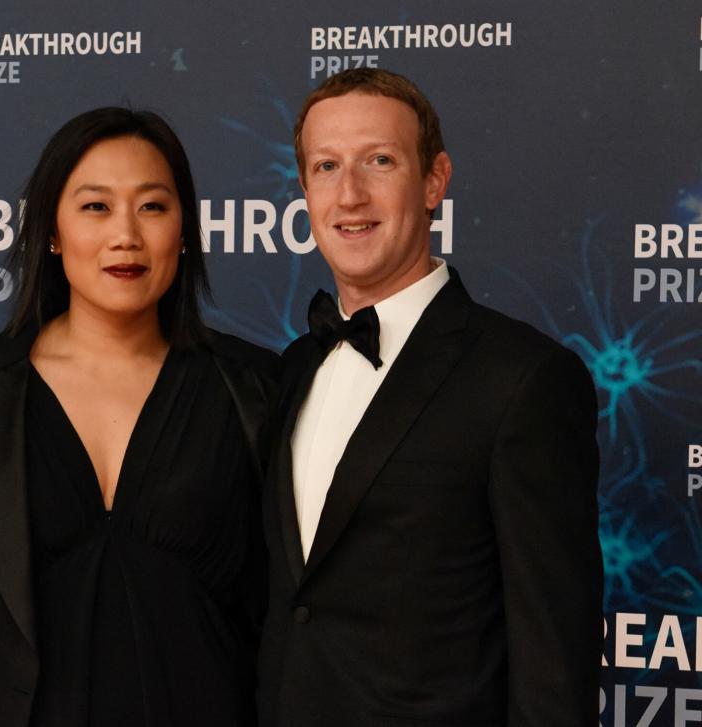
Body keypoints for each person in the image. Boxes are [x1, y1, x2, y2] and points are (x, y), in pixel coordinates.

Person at [0, 107, 276, 727]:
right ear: (51, 230)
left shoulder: (257, 387)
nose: (125, 234)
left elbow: (290, 621)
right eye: (95, 207)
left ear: (184, 230)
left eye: (153, 206)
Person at [258, 68, 603, 727]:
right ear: (304, 191)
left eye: (379, 161)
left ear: (434, 180)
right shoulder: (292, 368)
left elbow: (555, 659)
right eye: (327, 166)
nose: (350, 193)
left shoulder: (523, 378)